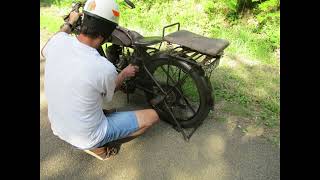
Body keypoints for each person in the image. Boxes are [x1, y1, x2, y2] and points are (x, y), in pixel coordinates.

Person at [41, 0, 159, 160]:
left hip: (59, 127)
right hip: (86, 136)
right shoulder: (104, 68)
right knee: (152, 116)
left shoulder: (56, 42)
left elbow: (50, 43)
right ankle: (101, 147)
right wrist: (123, 74)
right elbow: (107, 95)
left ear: (84, 20)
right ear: (107, 35)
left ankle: (95, 136)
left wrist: (70, 22)